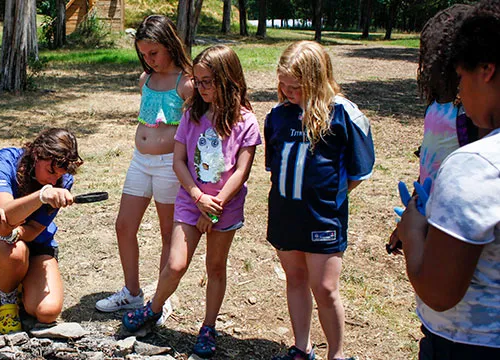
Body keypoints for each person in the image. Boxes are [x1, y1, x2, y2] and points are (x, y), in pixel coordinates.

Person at [121, 45, 261, 359]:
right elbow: (179, 161)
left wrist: (215, 205)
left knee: (215, 267)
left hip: (225, 206)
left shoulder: (246, 121)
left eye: (208, 81)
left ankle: (208, 326)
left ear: (228, 79)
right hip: (190, 199)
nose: (201, 88)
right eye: (198, 81)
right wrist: (197, 197)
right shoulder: (192, 114)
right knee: (175, 264)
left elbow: (242, 170)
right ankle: (153, 308)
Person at [396, 1, 500, 358]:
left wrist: (412, 230)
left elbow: (438, 293)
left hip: (468, 343)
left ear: (485, 70)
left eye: (461, 77)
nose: (460, 92)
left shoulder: (476, 165)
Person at [265, 41, 374, 360]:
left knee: (325, 288)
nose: (287, 92)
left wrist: (329, 198)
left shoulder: (343, 113)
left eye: (295, 87)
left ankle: (336, 354)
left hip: (323, 218)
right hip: (285, 215)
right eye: (283, 85)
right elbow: (274, 165)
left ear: (316, 80)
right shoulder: (278, 115)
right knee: (295, 279)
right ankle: (302, 347)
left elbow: (358, 170)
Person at [95, 15, 194, 324]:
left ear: (170, 45)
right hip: (140, 161)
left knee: (167, 233)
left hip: (170, 166)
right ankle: (132, 291)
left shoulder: (186, 83)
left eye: (154, 53)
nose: (149, 60)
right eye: (143, 54)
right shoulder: (145, 80)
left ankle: (161, 299)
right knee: (124, 225)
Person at [0, 128, 83, 334]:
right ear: (37, 154)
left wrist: (14, 233)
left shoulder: (62, 180)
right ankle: (8, 303)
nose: (54, 180)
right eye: (51, 171)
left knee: (47, 312)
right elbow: (5, 214)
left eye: (60, 175)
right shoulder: (3, 162)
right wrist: (42, 196)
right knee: (14, 251)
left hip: (34, 243)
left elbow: (34, 228)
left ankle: (20, 281)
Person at [387, 3, 483, 255]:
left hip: (456, 220)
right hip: (427, 212)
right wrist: (410, 214)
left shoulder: (472, 113)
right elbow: (428, 167)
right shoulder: (436, 104)